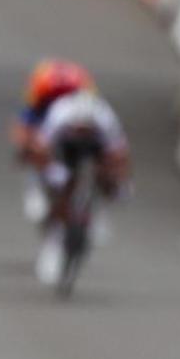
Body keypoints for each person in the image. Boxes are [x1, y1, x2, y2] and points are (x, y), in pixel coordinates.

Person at [31, 87, 129, 285]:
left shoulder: (105, 119)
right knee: (59, 184)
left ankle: (100, 213)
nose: (82, 131)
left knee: (109, 175)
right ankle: (54, 229)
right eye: (79, 128)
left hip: (96, 147)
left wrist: (117, 180)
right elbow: (40, 150)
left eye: (86, 128)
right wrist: (52, 171)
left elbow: (119, 154)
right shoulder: (60, 115)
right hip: (66, 148)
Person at [12, 59, 93, 220]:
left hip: (73, 126)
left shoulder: (84, 97)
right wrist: (26, 147)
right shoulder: (41, 91)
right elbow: (25, 123)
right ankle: (33, 187)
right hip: (45, 124)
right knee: (32, 149)